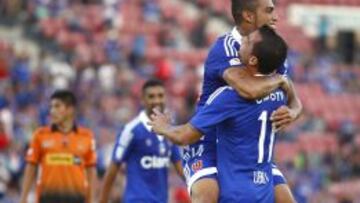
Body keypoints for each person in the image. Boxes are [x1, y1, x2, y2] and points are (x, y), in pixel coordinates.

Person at [163, 0, 302, 202]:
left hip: (246, 149)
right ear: (249, 15)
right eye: (269, 10)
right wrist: (281, 81)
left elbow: (293, 99)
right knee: (207, 195)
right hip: (208, 139)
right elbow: (248, 90)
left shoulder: (270, 48)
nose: (276, 17)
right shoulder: (226, 48)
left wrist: (293, 112)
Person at [99, 79, 183, 203]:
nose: (156, 100)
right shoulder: (132, 130)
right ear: (142, 100)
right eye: (151, 96)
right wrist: (103, 200)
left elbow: (181, 169)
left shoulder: (169, 132)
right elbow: (113, 168)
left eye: (160, 96)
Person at [20, 90, 97, 203]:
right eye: (51, 107)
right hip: (47, 199)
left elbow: (91, 171)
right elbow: (31, 166)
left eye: (57, 106)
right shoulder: (40, 135)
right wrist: (23, 198)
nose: (52, 111)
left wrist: (91, 199)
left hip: (77, 199)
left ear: (70, 110)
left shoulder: (87, 136)